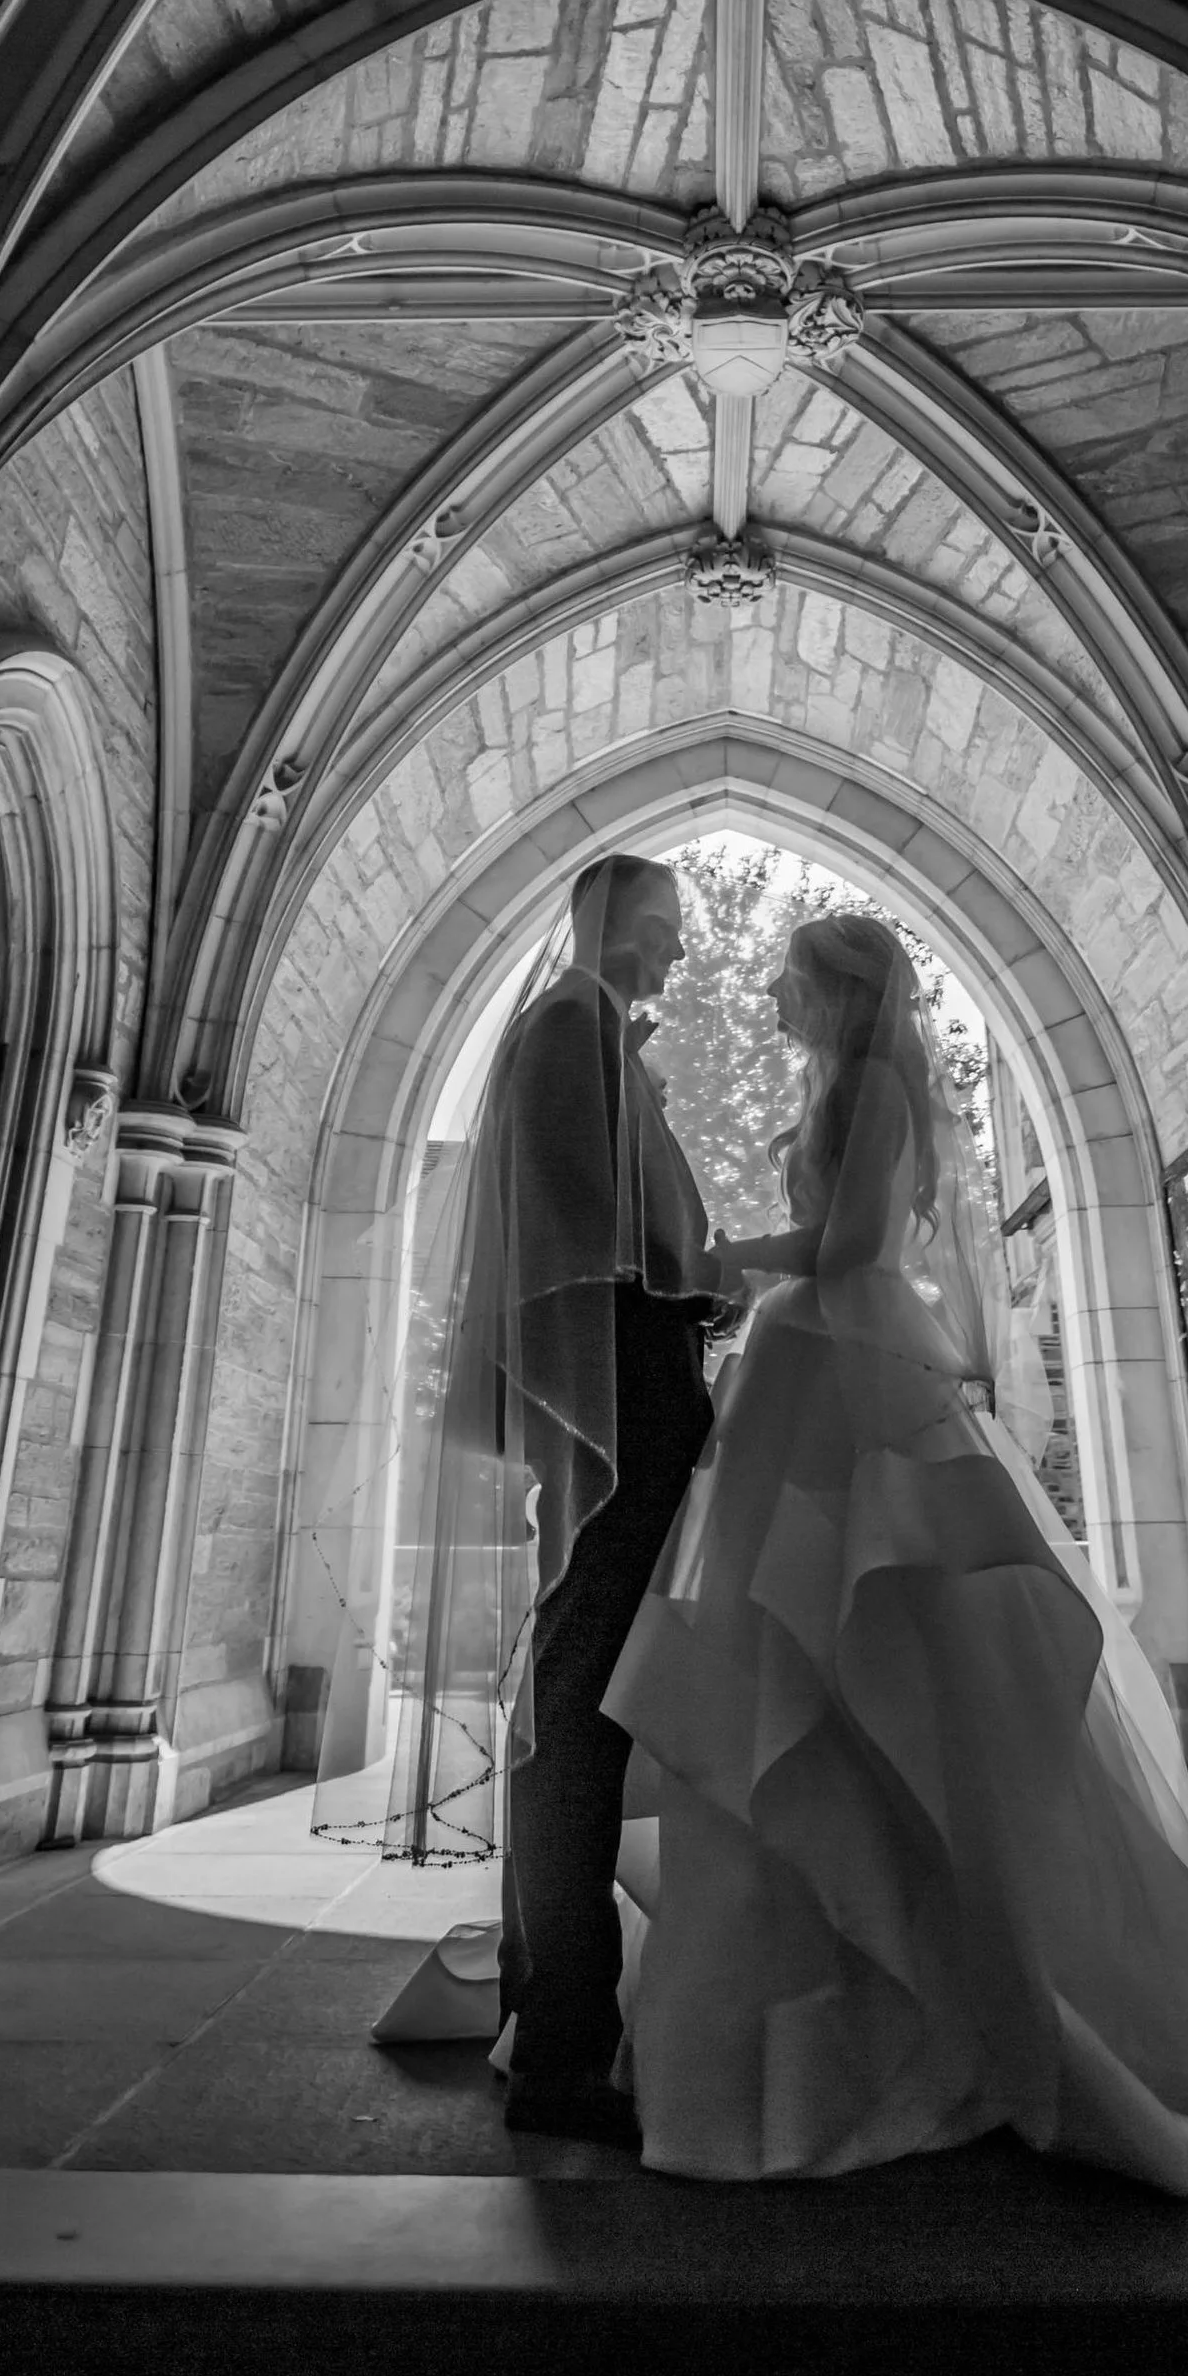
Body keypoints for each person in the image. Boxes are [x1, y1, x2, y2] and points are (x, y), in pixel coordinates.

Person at [602, 911, 1188, 2190]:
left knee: (851, 1633)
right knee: (801, 1641)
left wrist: (721, 1255)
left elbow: (852, 1247)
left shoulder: (870, 1089)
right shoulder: (846, 1082)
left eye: (792, 986)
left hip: (839, 1362)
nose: (779, 1005)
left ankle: (924, 1990)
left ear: (844, 993)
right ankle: (834, 1959)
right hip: (812, 1361)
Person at [482, 853, 737, 2147]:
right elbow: (586, 1225)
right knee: (580, 1706)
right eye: (667, 931)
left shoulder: (594, 1033)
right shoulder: (570, 1022)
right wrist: (705, 1281)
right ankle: (564, 2048)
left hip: (632, 1391)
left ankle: (549, 2008)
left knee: (581, 1695)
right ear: (607, 923)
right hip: (623, 1404)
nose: (682, 956)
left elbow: (622, 1223)